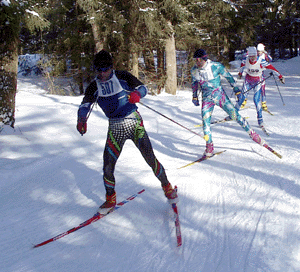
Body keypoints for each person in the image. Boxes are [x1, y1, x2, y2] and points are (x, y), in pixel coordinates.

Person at [77, 49, 178, 214]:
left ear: (111, 67)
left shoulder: (123, 76)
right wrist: (81, 119)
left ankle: (167, 187)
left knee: (150, 158)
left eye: (106, 69)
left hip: (133, 122)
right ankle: (110, 199)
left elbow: (142, 88)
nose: (103, 74)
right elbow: (85, 105)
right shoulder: (94, 86)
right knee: (108, 166)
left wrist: (137, 94)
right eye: (99, 70)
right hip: (115, 127)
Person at [191, 48, 265, 158]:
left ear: (205, 59)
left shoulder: (215, 66)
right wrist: (195, 96)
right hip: (207, 99)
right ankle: (209, 147)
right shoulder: (194, 70)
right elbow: (194, 83)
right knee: (205, 123)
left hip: (220, 96)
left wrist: (236, 90)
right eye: (195, 60)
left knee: (235, 115)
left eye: (199, 60)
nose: (197, 62)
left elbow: (228, 77)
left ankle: (252, 134)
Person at [237, 46, 285, 127]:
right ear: (249, 56)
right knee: (242, 97)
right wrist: (240, 74)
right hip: (248, 80)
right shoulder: (245, 60)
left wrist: (280, 76)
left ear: (256, 55)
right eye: (251, 57)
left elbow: (272, 68)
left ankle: (260, 120)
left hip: (257, 81)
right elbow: (242, 67)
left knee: (256, 100)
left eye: (254, 56)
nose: (253, 59)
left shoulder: (261, 61)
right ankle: (234, 113)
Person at [240, 43, 273, 110]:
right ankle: (243, 102)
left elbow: (270, 60)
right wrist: (248, 53)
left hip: (260, 75)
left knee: (262, 89)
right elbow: (245, 57)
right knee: (246, 89)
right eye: (258, 51)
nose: (259, 53)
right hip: (251, 73)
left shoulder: (265, 55)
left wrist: (266, 54)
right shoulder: (254, 54)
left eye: (260, 51)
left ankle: (264, 103)